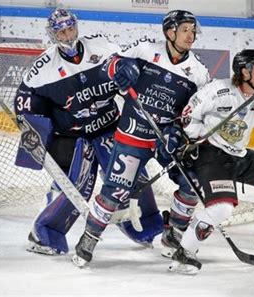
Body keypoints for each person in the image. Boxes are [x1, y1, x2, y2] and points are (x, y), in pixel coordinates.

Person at [13, 8, 163, 256]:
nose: (67, 35)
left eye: (70, 28)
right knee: (75, 187)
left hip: (109, 128)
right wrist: (28, 123)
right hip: (73, 138)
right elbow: (25, 100)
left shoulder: (101, 47)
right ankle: (44, 234)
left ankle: (144, 227)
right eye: (61, 31)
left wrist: (128, 72)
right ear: (52, 34)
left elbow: (124, 65)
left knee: (133, 175)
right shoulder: (42, 68)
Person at [72, 10, 210, 268]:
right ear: (170, 33)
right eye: (185, 30)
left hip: (166, 139)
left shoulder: (198, 73)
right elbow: (109, 65)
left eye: (193, 30)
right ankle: (89, 238)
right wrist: (121, 67)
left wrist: (179, 132)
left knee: (193, 184)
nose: (191, 35)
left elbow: (196, 114)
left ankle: (174, 235)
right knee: (115, 192)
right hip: (132, 136)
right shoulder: (145, 50)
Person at [167, 49, 254, 275]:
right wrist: (193, 140)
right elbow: (189, 117)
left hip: (239, 154)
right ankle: (183, 253)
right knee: (221, 209)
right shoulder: (217, 90)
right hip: (211, 154)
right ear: (245, 72)